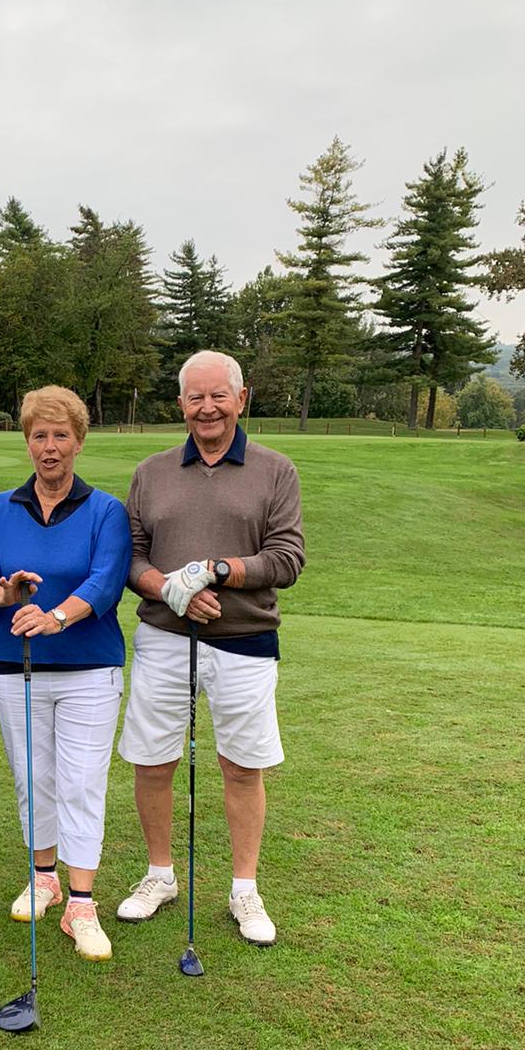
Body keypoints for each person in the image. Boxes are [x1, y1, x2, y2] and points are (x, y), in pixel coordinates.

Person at [116, 350, 305, 944]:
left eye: (218, 395)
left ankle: (245, 889)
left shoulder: (276, 470)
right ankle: (160, 875)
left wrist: (219, 571)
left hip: (245, 640)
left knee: (242, 766)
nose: (207, 407)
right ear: (181, 405)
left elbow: (286, 558)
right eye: (195, 397)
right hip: (165, 636)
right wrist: (171, 590)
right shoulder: (151, 472)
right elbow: (132, 556)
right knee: (153, 760)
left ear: (241, 399)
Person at [0, 385, 132, 962]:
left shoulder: (106, 511)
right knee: (32, 777)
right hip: (14, 666)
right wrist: (7, 593)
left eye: (61, 435)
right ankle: (44, 878)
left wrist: (57, 616)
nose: (50, 446)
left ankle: (81, 902)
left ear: (79, 442)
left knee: (81, 781)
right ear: (28, 442)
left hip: (89, 668)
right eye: (40, 435)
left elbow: (106, 581)